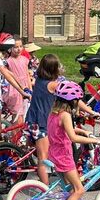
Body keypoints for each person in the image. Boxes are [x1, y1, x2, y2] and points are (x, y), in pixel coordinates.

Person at [46, 80, 100, 200]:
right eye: (77, 100)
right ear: (72, 101)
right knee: (79, 189)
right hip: (64, 156)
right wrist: (94, 141)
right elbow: (73, 137)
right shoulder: (65, 115)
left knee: (71, 187)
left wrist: (83, 131)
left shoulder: (54, 113)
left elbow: (65, 129)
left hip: (55, 153)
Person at [0, 33, 32, 145]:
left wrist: (23, 86)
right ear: (8, 49)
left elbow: (11, 74)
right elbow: (7, 76)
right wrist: (22, 92)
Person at [25, 54, 64, 188]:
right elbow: (70, 95)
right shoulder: (53, 85)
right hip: (41, 123)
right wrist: (89, 110)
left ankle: (44, 179)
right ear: (54, 69)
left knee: (43, 153)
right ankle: (45, 189)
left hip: (33, 119)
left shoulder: (39, 80)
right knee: (43, 157)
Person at [3, 38, 31, 124]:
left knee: (24, 115)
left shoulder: (25, 59)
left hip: (25, 87)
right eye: (16, 47)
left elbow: (27, 75)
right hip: (15, 89)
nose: (19, 49)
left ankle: (13, 129)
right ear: (10, 48)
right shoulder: (8, 61)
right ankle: (15, 132)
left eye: (20, 46)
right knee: (18, 117)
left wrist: (30, 88)